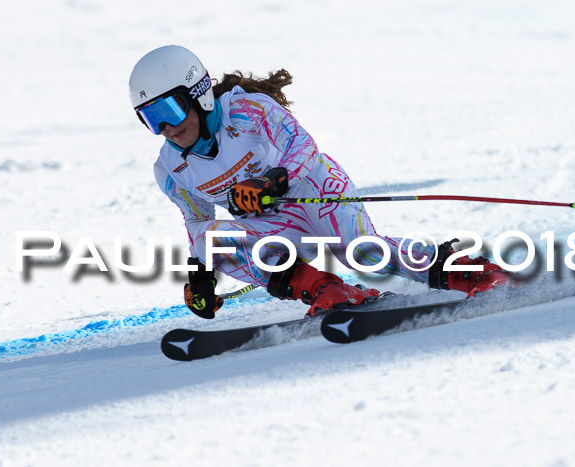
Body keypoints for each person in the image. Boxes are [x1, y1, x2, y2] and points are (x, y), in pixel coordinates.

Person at [128, 45, 509, 319]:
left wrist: (271, 181)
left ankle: (469, 271)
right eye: (150, 118)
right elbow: (198, 223)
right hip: (269, 221)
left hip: (311, 188)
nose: (166, 128)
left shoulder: (246, 109)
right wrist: (201, 276)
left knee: (362, 253)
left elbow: (304, 147)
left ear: (199, 94)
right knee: (218, 242)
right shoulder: (171, 170)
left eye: (170, 110)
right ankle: (330, 290)